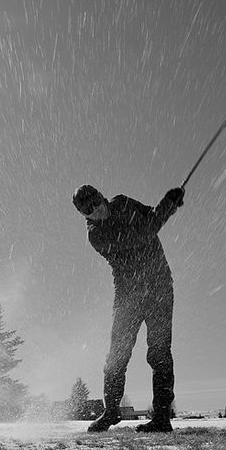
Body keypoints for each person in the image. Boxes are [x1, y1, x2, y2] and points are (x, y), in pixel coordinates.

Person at [72, 184, 185, 433]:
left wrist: (170, 203)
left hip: (160, 288)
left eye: (97, 202)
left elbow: (151, 215)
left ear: (103, 196)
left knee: (160, 354)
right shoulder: (96, 236)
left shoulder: (122, 202)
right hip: (128, 297)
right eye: (88, 210)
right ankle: (111, 411)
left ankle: (162, 418)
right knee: (117, 357)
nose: (96, 210)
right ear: (84, 215)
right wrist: (167, 204)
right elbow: (146, 231)